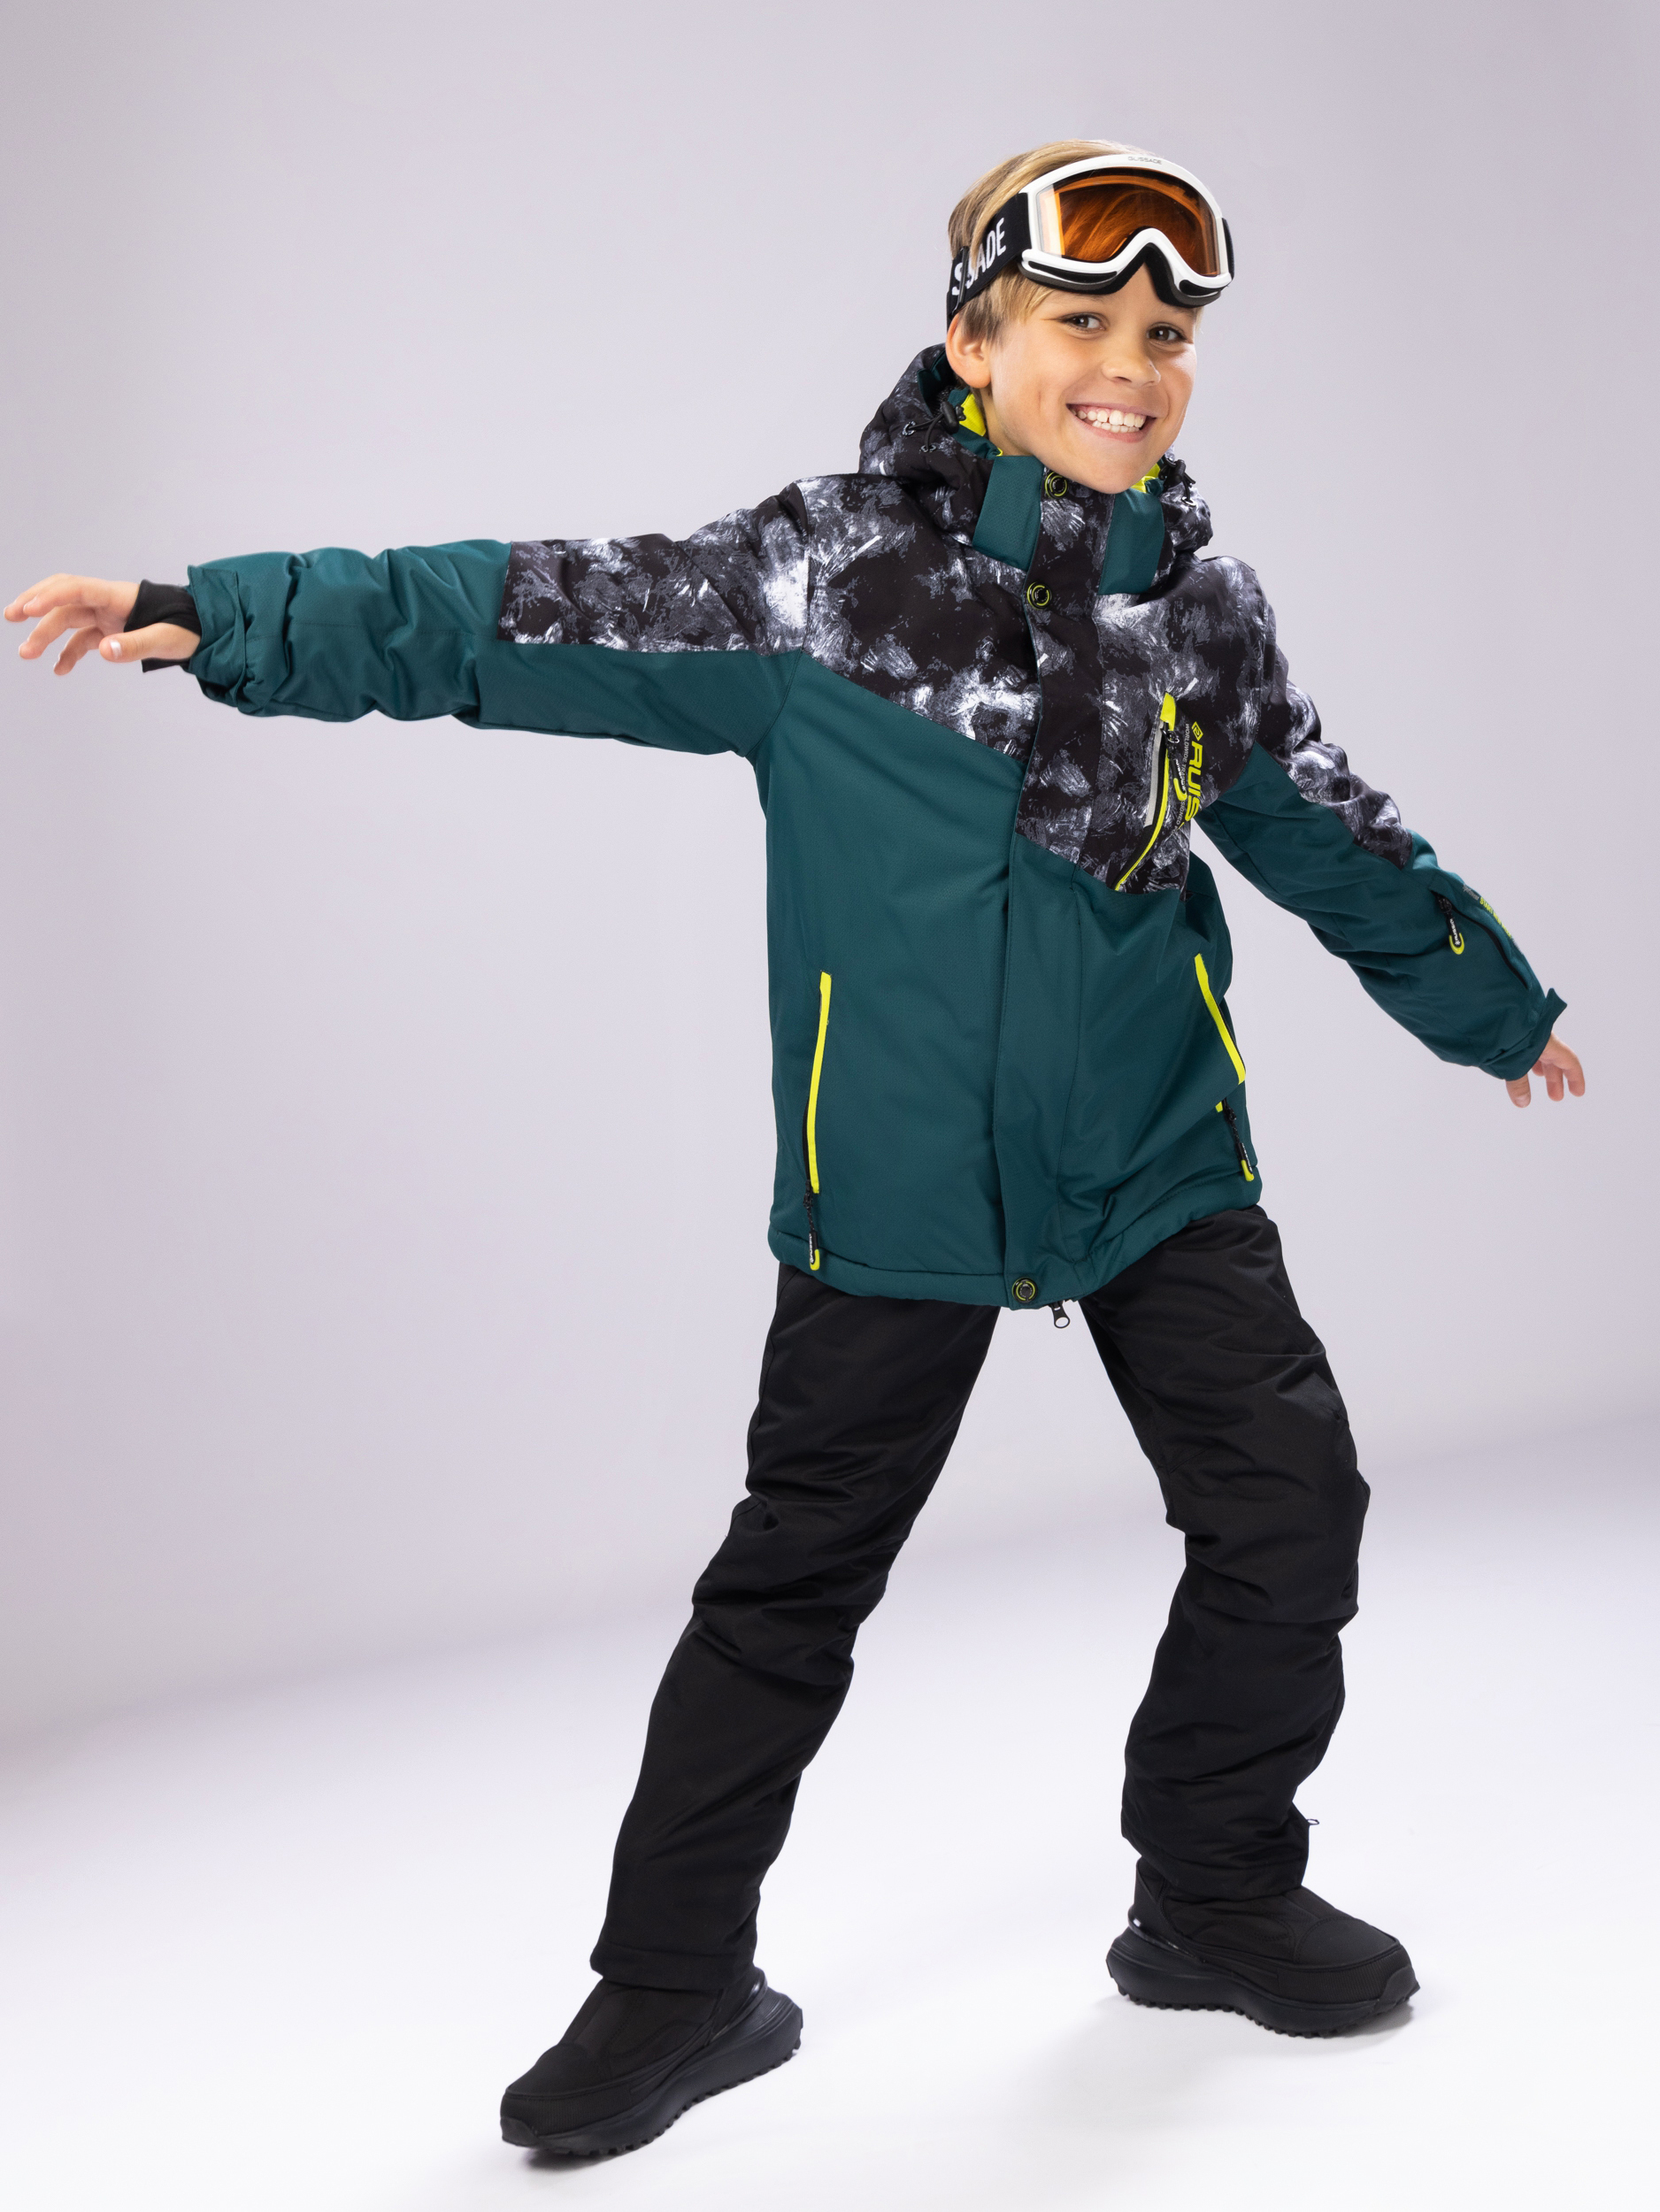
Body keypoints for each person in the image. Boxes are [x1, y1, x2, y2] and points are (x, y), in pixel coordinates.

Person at [7, 138, 1583, 2159]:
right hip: (893, 1185)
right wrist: (216, 616)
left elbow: (1321, 827)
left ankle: (1212, 1891)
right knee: (789, 1588)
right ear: (975, 342)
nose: (1130, 366)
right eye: (1081, 322)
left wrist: (1490, 1003)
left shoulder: (1196, 607)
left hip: (1156, 1164)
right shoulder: (827, 582)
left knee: (1291, 1513)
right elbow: (505, 613)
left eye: (1165, 334)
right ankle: (674, 1986)